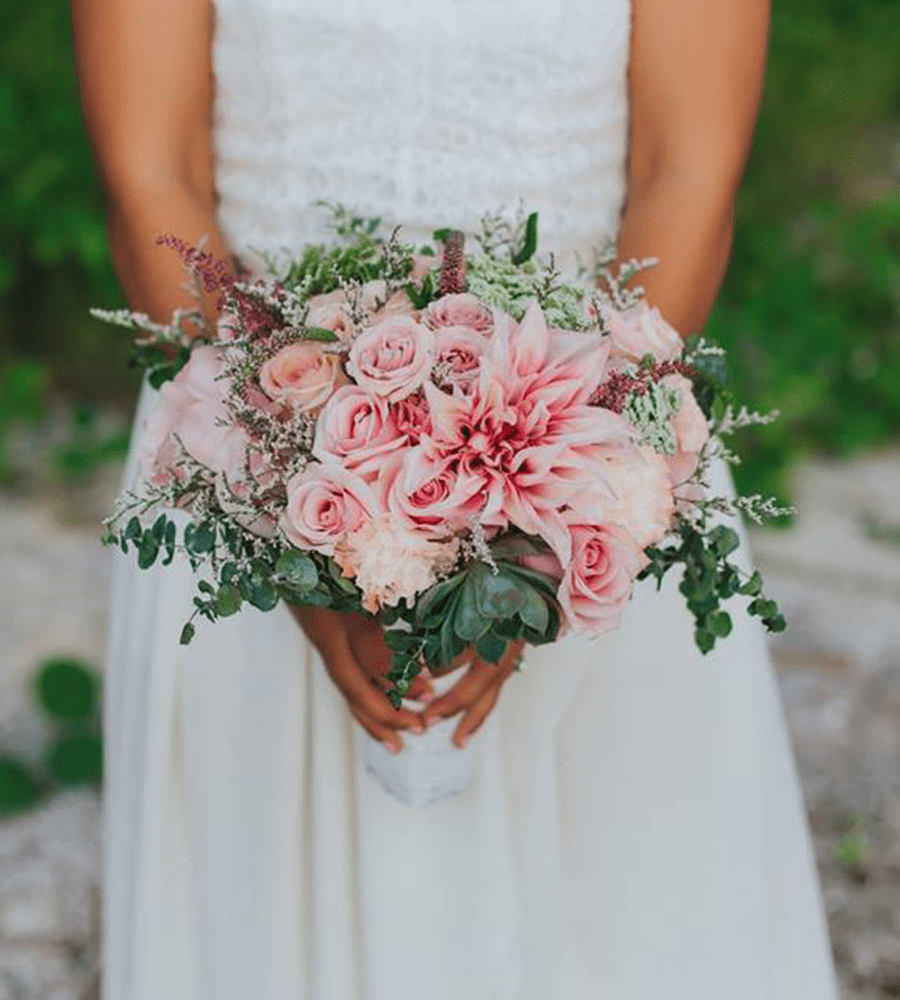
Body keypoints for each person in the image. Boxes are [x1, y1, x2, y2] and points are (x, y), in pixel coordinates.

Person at [72, 0, 840, 997]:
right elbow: (151, 174)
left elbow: (683, 172)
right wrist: (288, 497)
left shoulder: (578, 481)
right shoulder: (258, 466)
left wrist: (559, 515)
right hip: (242, 421)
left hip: (583, 438)